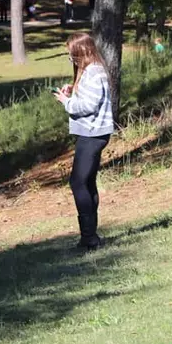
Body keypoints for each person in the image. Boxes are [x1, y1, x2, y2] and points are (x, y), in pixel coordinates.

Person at [53, 34, 114, 251]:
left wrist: (66, 102)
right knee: (86, 182)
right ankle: (89, 237)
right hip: (91, 133)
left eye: (72, 55)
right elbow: (88, 98)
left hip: (93, 134)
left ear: (83, 51)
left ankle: (89, 238)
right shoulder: (90, 71)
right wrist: (73, 91)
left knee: (77, 183)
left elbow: (88, 106)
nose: (72, 59)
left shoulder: (94, 72)